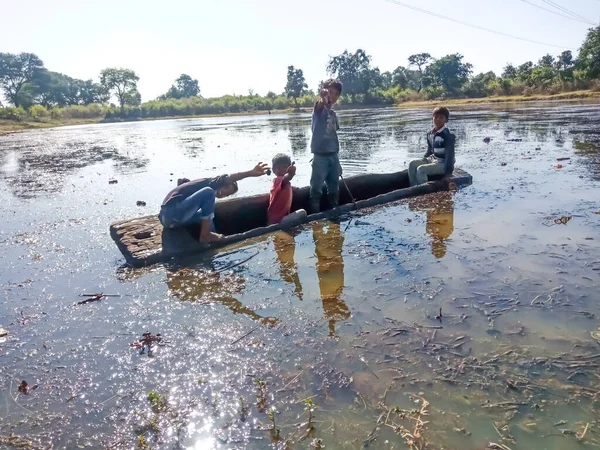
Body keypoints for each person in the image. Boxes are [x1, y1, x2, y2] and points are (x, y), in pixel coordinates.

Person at [159, 162, 270, 243]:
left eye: (227, 195)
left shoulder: (201, 188)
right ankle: (206, 235)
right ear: (222, 183)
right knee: (208, 192)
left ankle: (211, 236)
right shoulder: (211, 182)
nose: (223, 195)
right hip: (170, 213)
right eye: (226, 189)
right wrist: (250, 173)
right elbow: (228, 178)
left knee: (205, 217)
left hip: (169, 221)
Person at [309, 79, 343, 213]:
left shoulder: (334, 115)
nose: (331, 96)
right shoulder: (319, 110)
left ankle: (334, 211)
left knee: (334, 187)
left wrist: (338, 162)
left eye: (335, 94)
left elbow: (334, 137)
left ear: (337, 97)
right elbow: (319, 105)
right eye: (329, 92)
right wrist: (323, 99)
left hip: (333, 155)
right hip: (320, 157)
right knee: (316, 188)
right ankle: (315, 214)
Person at [408, 107, 456, 186]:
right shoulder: (430, 134)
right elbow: (429, 151)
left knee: (421, 169)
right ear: (432, 118)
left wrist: (448, 174)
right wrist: (423, 160)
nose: (438, 119)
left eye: (441, 117)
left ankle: (422, 190)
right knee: (412, 164)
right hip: (433, 160)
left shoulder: (448, 135)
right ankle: (412, 187)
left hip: (443, 163)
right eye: (436, 117)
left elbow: (450, 156)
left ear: (446, 120)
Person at [267, 153, 307, 226]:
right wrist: (290, 174)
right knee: (303, 212)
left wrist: (294, 189)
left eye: (285, 167)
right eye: (278, 168)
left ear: (289, 167)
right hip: (279, 221)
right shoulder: (278, 180)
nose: (282, 170)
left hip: (276, 219)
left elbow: (285, 186)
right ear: (273, 170)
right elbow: (285, 179)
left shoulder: (283, 183)